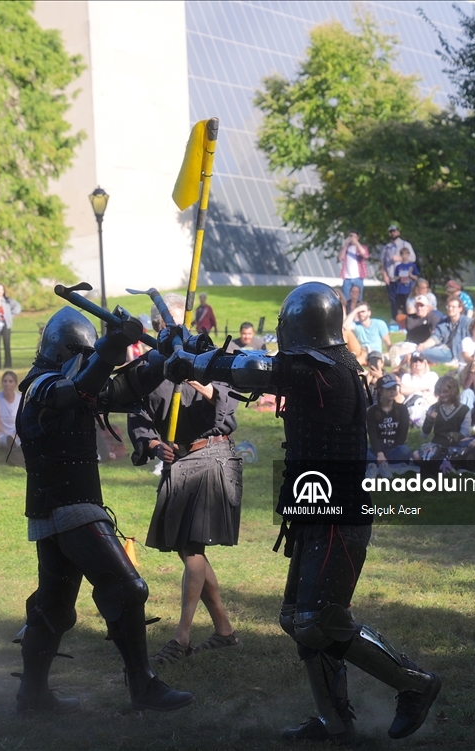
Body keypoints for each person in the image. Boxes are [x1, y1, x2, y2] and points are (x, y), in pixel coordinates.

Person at [162, 283, 441, 742]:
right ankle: (335, 722)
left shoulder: (321, 369)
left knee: (318, 621)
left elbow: (258, 368)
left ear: (299, 326)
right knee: (297, 618)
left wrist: (194, 362)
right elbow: (258, 366)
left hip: (339, 513)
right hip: (317, 508)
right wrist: (196, 351)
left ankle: (416, 683)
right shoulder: (328, 365)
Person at [14, 305, 193, 714]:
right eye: (86, 354)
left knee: (54, 608)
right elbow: (73, 391)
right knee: (128, 589)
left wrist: (164, 354)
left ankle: (32, 696)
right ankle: (143, 685)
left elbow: (126, 386)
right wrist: (113, 343)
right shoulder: (41, 384)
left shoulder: (74, 381)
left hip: (56, 511)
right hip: (70, 508)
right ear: (67, 352)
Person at [128, 294, 241, 666]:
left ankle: (181, 637)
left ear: (186, 322)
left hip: (212, 454)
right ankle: (224, 629)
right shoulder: (147, 366)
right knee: (186, 548)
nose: (170, 331)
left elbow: (226, 399)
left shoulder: (207, 355)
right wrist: (153, 443)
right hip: (178, 459)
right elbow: (139, 415)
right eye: (163, 325)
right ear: (156, 328)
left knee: (192, 548)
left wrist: (193, 375)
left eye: (176, 324)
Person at [415, 375, 471, 461]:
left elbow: (465, 433)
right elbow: (424, 435)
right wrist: (429, 421)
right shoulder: (434, 408)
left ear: (454, 391)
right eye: (439, 392)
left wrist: (455, 436)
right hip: (436, 444)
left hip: (455, 446)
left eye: (445, 392)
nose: (442, 395)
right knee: (416, 455)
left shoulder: (464, 410)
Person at [367, 373, 412, 465]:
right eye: (388, 389)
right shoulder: (372, 411)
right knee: (362, 452)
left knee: (405, 451)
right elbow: (373, 436)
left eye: (394, 388)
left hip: (395, 447)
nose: (392, 391)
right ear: (380, 391)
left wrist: (386, 455)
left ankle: (380, 463)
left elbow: (402, 435)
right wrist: (379, 453)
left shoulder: (402, 409)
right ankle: (385, 463)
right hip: (378, 448)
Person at [416, 296, 471, 365]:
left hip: (455, 353)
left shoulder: (467, 323)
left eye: (453, 307)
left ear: (460, 309)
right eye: (449, 306)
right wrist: (424, 345)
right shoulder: (444, 321)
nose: (450, 309)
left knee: (419, 353)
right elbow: (435, 337)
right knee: (418, 350)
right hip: (442, 348)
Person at [391, 297, 442, 366]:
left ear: (427, 307)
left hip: (422, 346)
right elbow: (399, 318)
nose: (419, 308)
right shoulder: (410, 318)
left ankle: (396, 360)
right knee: (395, 348)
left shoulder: (432, 318)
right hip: (408, 343)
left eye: (422, 306)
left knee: (404, 351)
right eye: (417, 306)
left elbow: (436, 335)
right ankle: (383, 358)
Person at [380, 222, 416, 321]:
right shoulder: (386, 247)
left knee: (405, 299)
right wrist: (385, 276)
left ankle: (408, 319)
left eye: (394, 231)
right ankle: (395, 319)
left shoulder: (406, 244)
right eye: (390, 231)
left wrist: (399, 258)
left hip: (404, 279)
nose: (392, 233)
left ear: (398, 232)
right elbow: (383, 263)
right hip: (391, 278)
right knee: (393, 300)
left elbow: (413, 258)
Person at [400, 353, 438, 426]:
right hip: (415, 404)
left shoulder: (432, 375)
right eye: (415, 361)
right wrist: (421, 389)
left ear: (425, 363)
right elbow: (403, 390)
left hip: (432, 401)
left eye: (420, 361)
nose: (417, 363)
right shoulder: (407, 377)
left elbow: (440, 391)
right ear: (411, 364)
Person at [0, 370, 20, 452]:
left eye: (10, 381)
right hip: (1, 432)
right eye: (5, 381)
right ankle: (10, 444)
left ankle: (13, 444)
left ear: (15, 384)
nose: (7, 384)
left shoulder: (21, 400)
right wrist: (6, 435)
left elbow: (22, 422)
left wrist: (16, 434)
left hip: (16, 433)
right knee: (0, 437)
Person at [338, 232, 369, 304]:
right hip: (347, 278)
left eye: (354, 237)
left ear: (358, 238)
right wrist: (346, 244)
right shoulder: (345, 248)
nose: (352, 238)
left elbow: (365, 255)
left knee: (358, 298)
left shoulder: (362, 247)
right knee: (345, 299)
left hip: (358, 277)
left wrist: (357, 243)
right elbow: (340, 257)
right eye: (350, 236)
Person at [392, 247, 420, 318]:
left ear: (408, 255)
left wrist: (410, 275)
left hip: (410, 290)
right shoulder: (398, 266)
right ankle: (400, 322)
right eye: (402, 254)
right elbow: (395, 278)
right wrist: (400, 276)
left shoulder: (412, 266)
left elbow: (416, 278)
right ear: (400, 255)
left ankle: (411, 320)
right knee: (400, 308)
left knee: (410, 306)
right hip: (400, 291)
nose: (404, 256)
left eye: (406, 254)